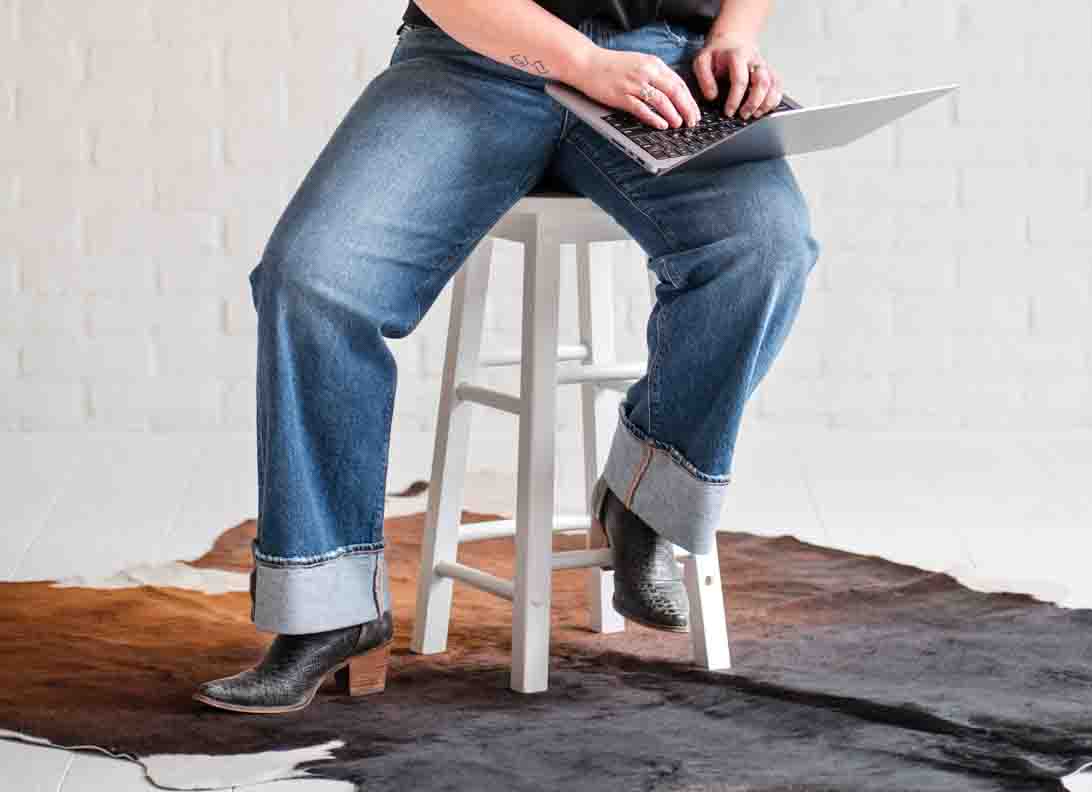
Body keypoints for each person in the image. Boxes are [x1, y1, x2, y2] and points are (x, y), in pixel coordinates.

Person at [193, 0, 820, 714]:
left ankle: (642, 497)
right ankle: (329, 607)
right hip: (471, 64)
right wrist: (584, 63)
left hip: (662, 68)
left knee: (767, 250)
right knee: (312, 278)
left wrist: (734, 36)